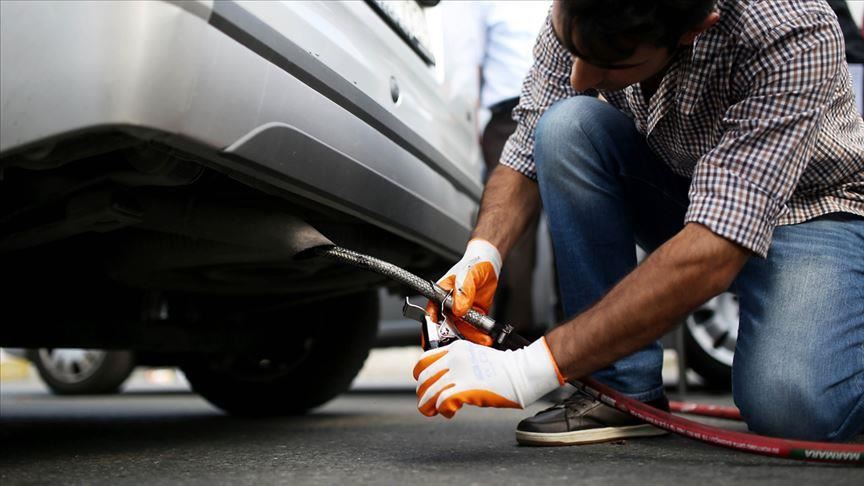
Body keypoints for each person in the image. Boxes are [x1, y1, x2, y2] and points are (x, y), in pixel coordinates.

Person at [415, 0, 864, 445]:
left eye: (611, 62)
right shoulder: (584, 11)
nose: (580, 78)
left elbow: (718, 243)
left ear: (693, 30)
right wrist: (482, 255)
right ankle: (621, 390)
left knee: (793, 406)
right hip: (685, 191)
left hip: (812, 213)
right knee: (566, 126)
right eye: (574, 52)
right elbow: (526, 146)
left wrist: (529, 368)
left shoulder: (790, 28)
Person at [440, 1, 550, 336]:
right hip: (511, 116)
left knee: (554, 230)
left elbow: (466, 62)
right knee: (513, 234)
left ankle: (517, 335)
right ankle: (511, 334)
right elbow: (467, 65)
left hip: (548, 104)